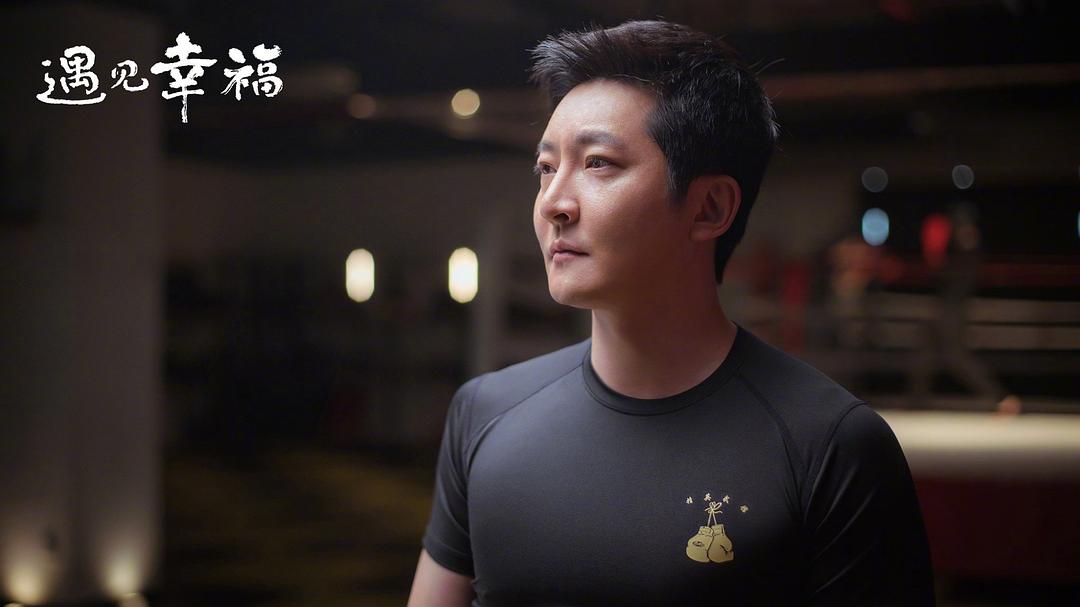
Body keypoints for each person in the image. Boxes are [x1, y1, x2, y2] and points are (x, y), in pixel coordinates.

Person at [408, 19, 935, 606]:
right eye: (547, 168)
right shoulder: (485, 413)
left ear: (709, 208)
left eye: (598, 163)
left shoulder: (832, 447)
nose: (553, 203)